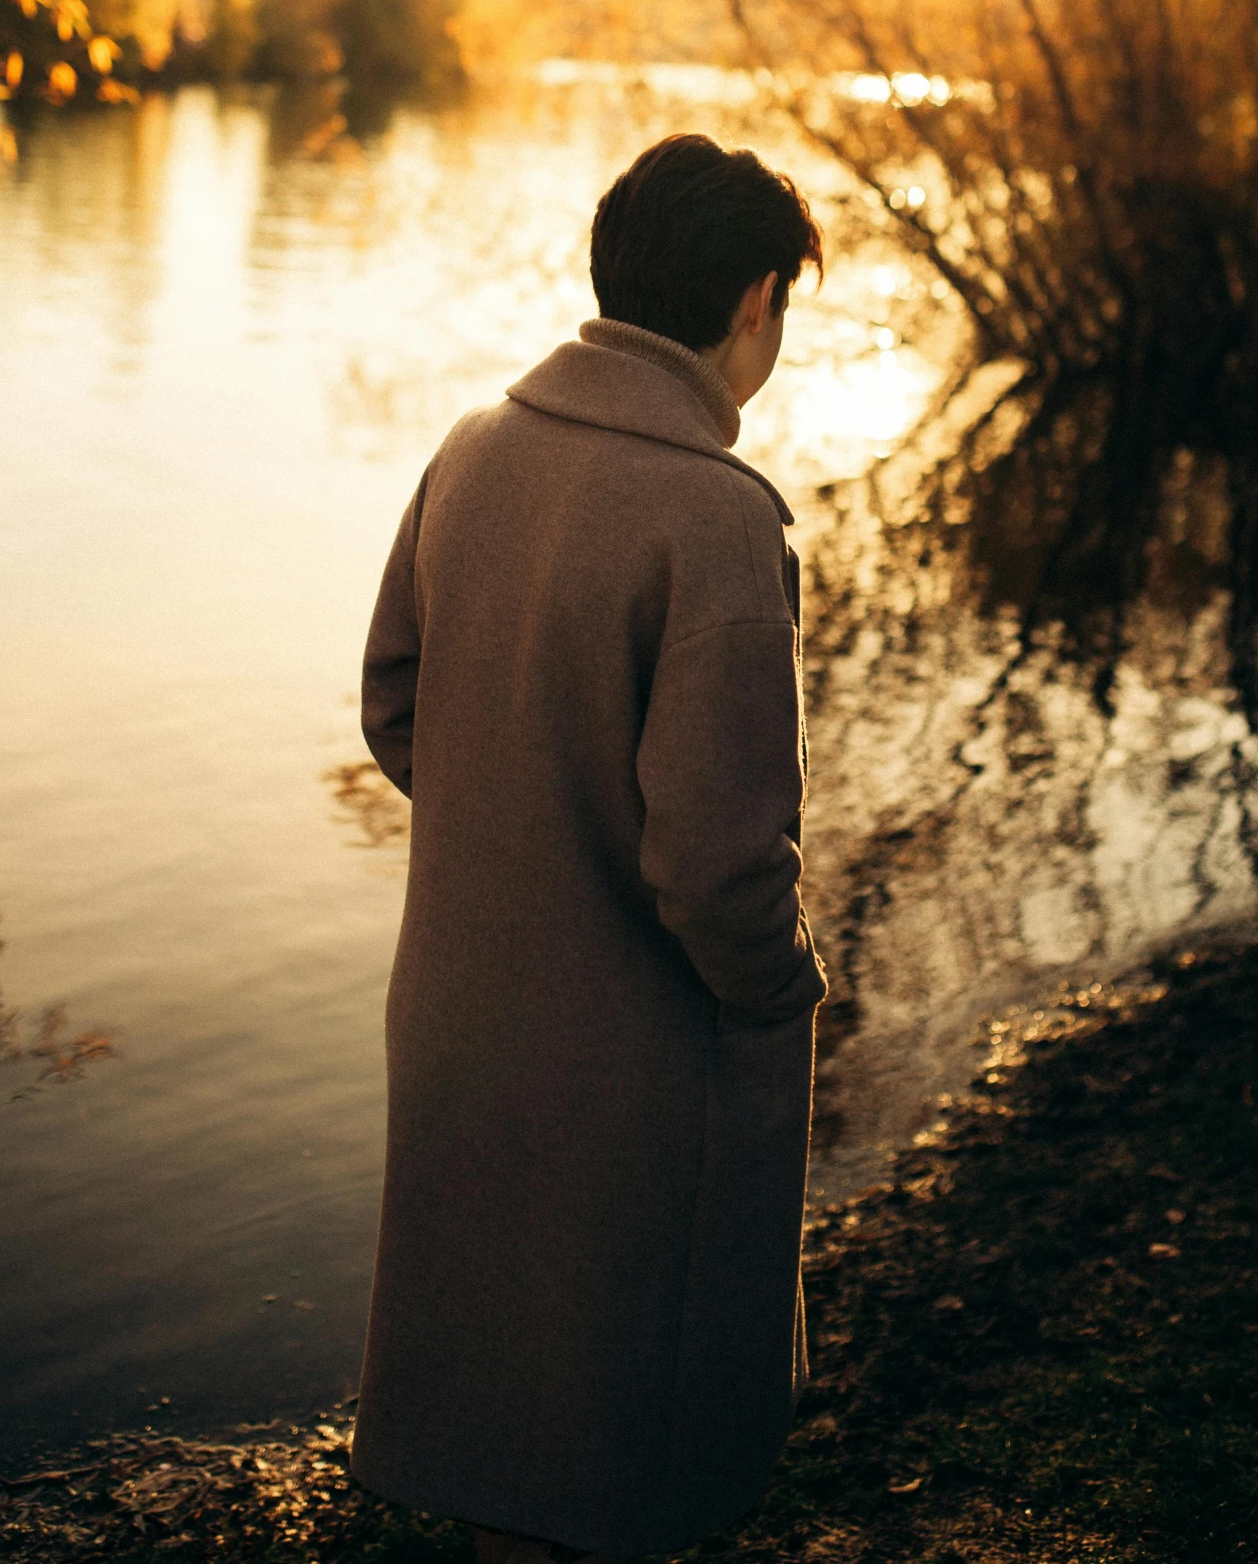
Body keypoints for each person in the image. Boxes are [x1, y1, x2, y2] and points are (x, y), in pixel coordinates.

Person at [350, 132, 829, 1563]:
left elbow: (393, 705)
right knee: (632, 1443)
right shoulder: (717, 516)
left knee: (506, 1410)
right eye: (782, 311)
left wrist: (518, 834)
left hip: (459, 1004)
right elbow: (719, 866)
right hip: (631, 1062)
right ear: (752, 301)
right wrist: (781, 983)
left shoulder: (473, 448)